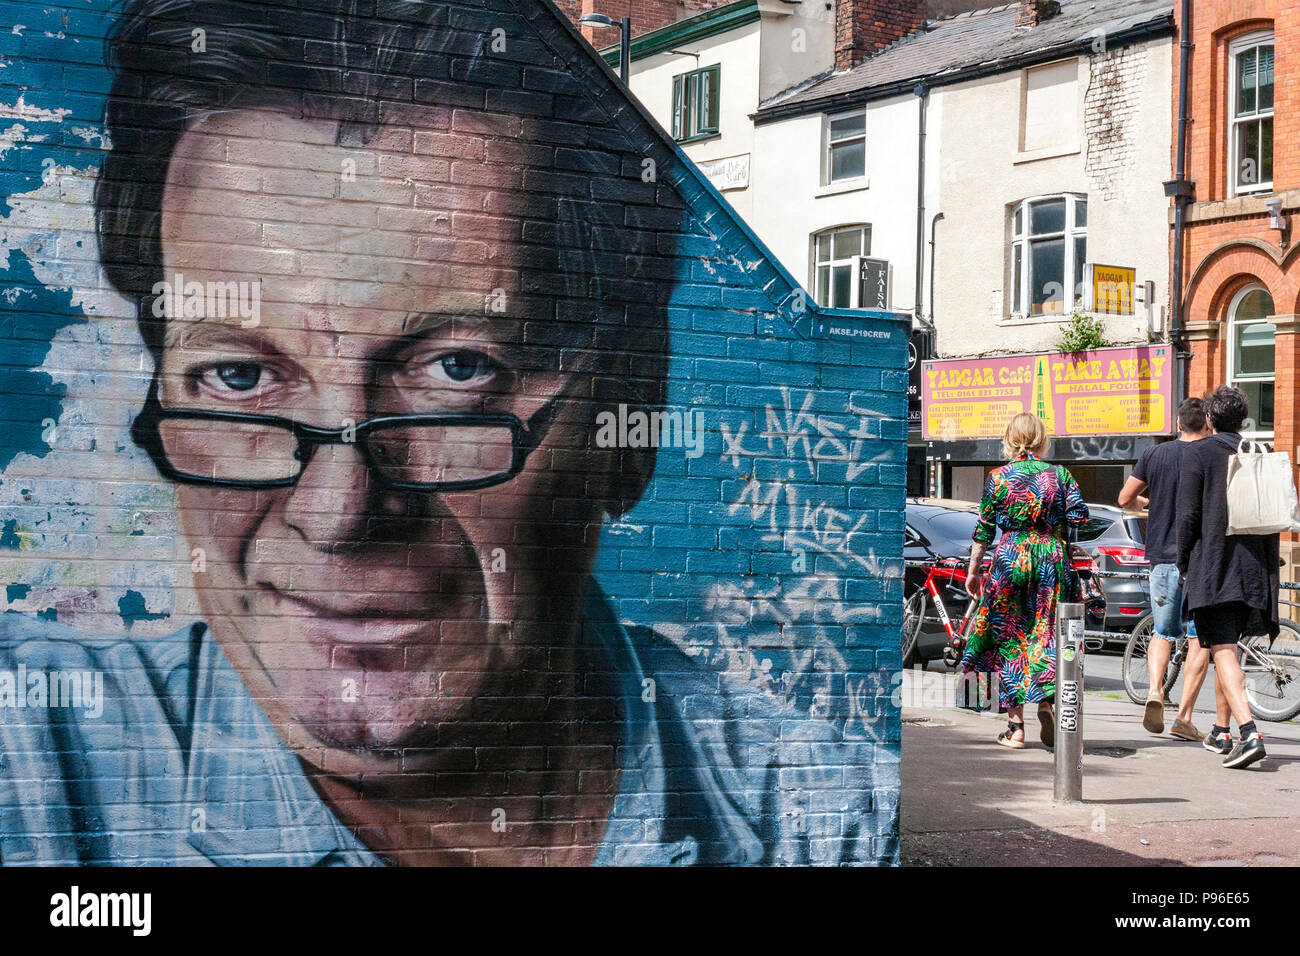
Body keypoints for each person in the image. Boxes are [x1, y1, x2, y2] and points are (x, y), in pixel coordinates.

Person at [0, 0, 874, 865]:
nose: (337, 512)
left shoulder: (829, 828)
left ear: (626, 421)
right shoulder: (34, 765)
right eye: (237, 377)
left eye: (459, 370)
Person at [962, 413, 1088, 749]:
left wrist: (974, 571)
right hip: (1051, 557)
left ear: (1009, 439)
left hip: (1010, 557)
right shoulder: (1060, 475)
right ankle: (1046, 702)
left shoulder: (998, 478)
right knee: (1046, 633)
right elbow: (1081, 517)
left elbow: (984, 529)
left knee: (1003, 634)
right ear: (1043, 439)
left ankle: (1015, 727)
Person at [1176, 385, 1275, 769]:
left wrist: (1184, 561)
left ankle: (1249, 732)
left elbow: (1188, 516)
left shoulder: (1198, 453)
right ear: (1243, 419)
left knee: (1222, 648)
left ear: (1212, 419)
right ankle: (1222, 730)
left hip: (1215, 565)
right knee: (1227, 648)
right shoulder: (1260, 452)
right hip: (1254, 568)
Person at [1117, 397, 1211, 740]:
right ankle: (1183, 717)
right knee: (1200, 637)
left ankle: (1155, 690)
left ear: (1177, 422)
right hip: (1200, 560)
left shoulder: (1155, 455)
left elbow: (1125, 499)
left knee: (1162, 632)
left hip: (1161, 558)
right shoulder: (1211, 454)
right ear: (1208, 424)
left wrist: (1151, 502)